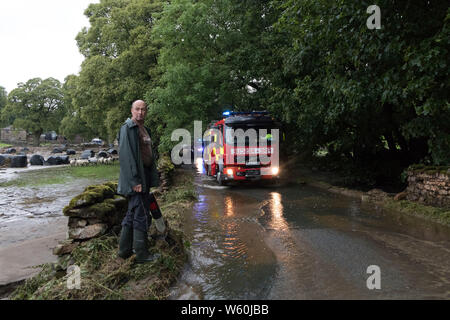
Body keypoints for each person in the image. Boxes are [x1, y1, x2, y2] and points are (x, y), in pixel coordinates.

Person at [116, 100, 166, 263]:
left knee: (132, 214)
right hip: (135, 180)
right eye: (137, 109)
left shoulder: (145, 129)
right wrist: (135, 181)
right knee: (141, 215)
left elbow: (147, 154)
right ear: (131, 111)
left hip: (143, 176)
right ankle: (142, 255)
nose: (140, 112)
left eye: (143, 110)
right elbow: (126, 157)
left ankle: (124, 251)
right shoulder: (128, 128)